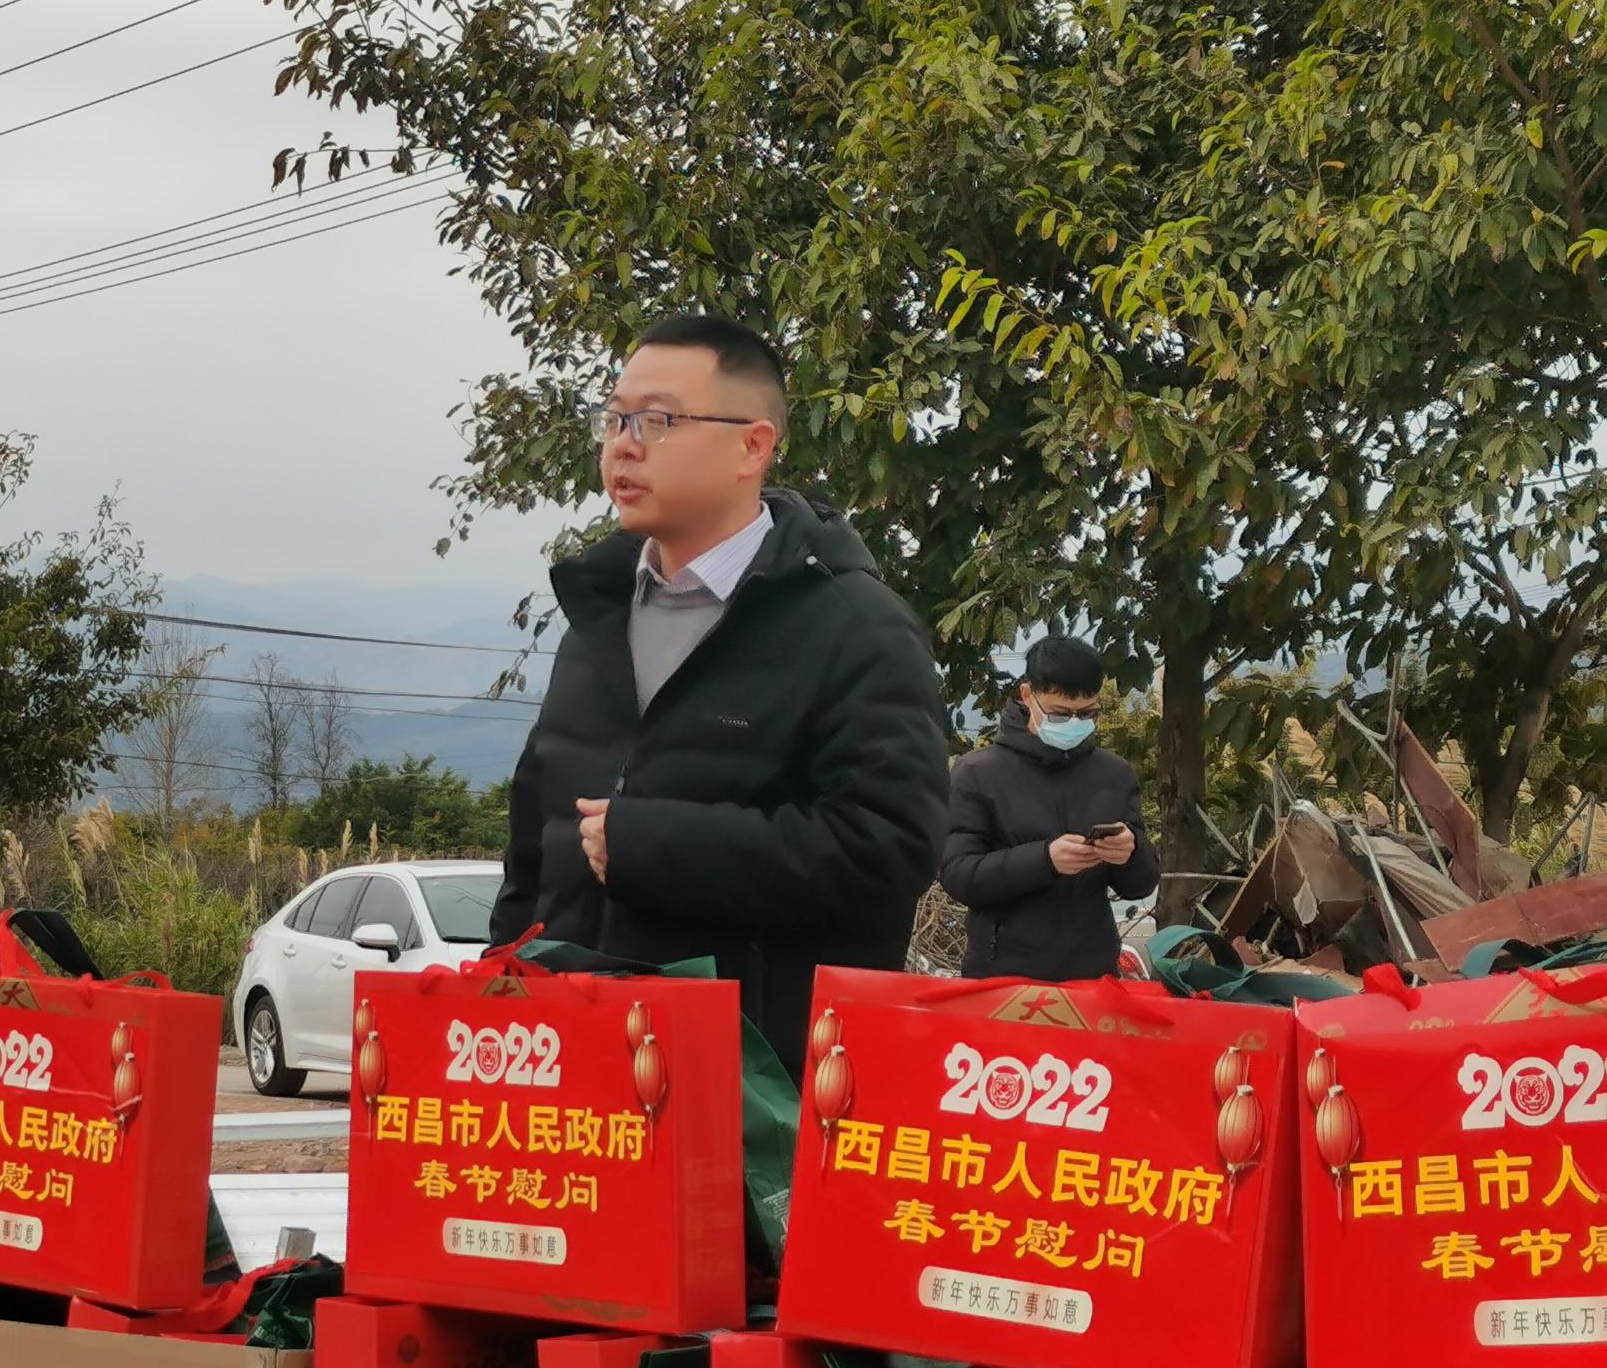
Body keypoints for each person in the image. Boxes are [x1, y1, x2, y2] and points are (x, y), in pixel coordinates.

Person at [491, 314, 950, 1074]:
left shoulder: (854, 629)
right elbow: (534, 849)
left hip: (751, 1099)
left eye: (659, 420)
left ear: (753, 446)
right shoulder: (597, 619)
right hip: (576, 1073)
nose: (623, 443)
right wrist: (506, 985)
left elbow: (890, 850)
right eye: (613, 418)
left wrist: (656, 844)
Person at [941, 633, 1159, 980]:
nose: (1074, 723)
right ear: (1028, 695)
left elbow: (1141, 885)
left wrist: (1130, 852)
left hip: (1093, 975)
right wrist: (1044, 860)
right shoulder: (977, 773)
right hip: (1003, 973)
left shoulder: (1113, 774)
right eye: (1060, 714)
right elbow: (957, 875)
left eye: (1087, 713)